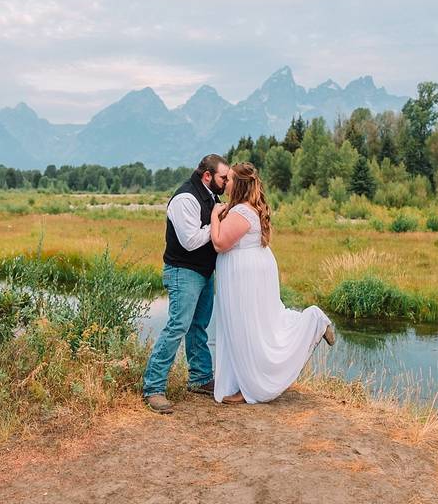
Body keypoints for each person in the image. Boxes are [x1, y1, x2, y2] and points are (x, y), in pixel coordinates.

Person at [209, 162, 335, 405]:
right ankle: (242, 382)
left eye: (231, 179)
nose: (227, 183)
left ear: (241, 185)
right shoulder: (243, 209)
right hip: (250, 270)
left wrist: (215, 215)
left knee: (248, 327)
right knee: (260, 323)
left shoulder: (242, 212)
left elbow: (220, 244)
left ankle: (313, 321)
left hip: (245, 275)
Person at [143, 154, 230, 414]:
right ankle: (153, 388)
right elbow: (190, 240)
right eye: (223, 177)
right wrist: (216, 222)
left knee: (198, 326)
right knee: (177, 326)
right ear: (207, 176)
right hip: (183, 271)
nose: (226, 182)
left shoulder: (211, 196)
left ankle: (200, 378)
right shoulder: (185, 199)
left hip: (204, 271)